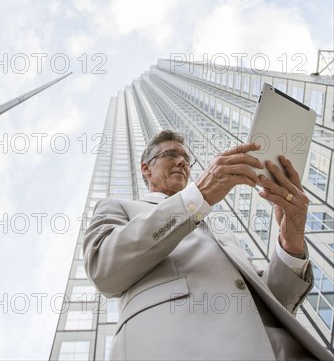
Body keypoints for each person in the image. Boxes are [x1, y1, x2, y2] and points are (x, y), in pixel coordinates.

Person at [83, 130, 332, 361]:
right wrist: (197, 197)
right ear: (146, 169)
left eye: (186, 158)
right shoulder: (118, 207)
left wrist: (291, 242)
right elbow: (103, 270)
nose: (182, 162)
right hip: (180, 347)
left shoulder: (222, 232)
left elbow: (278, 302)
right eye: (171, 154)